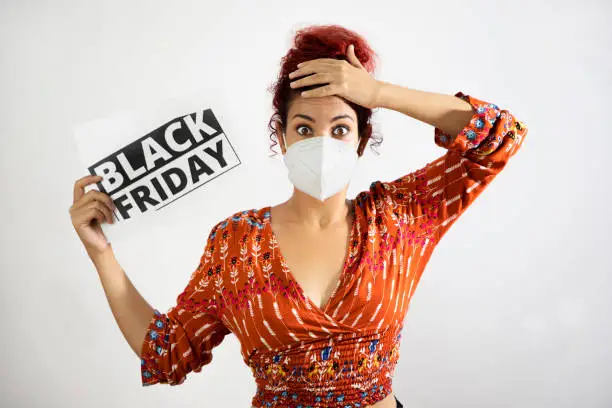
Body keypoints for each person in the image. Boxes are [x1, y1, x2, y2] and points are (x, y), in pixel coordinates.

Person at [69, 24, 528, 408]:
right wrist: (101, 253)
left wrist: (378, 93)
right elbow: (169, 356)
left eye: (341, 128)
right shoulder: (236, 245)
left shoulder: (398, 220)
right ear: (284, 138)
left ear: (362, 142)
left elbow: (501, 136)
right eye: (304, 128)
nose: (321, 142)